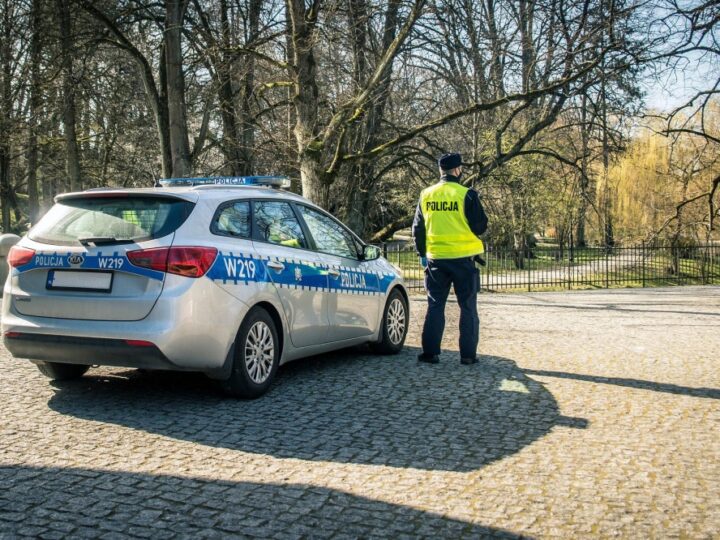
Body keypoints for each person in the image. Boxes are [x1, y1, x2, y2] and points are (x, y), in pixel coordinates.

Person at [412, 152, 488, 365]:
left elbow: (418, 228)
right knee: (467, 306)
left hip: (436, 259)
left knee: (435, 304)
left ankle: (430, 353)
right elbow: (480, 226)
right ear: (457, 170)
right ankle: (468, 355)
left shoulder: (426, 195)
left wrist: (422, 254)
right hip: (463, 259)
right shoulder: (467, 194)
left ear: (440, 171)